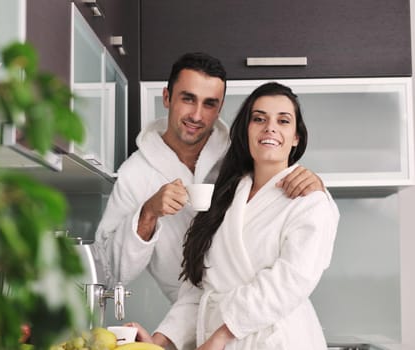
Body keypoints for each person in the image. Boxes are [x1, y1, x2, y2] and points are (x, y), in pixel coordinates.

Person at [93, 52, 330, 306]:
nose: (197, 115)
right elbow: (109, 273)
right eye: (188, 99)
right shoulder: (136, 173)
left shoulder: (239, 153)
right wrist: (148, 213)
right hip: (184, 313)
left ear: (220, 107)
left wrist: (313, 183)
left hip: (250, 305)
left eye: (209, 104)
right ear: (166, 97)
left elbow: (284, 189)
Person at [135, 82, 339, 350]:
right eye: (259, 119)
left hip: (277, 341)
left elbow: (291, 281)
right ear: (246, 129)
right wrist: (159, 343)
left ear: (296, 137)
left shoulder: (309, 199)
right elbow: (202, 290)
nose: (270, 127)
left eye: (283, 120)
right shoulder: (224, 197)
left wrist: (221, 336)